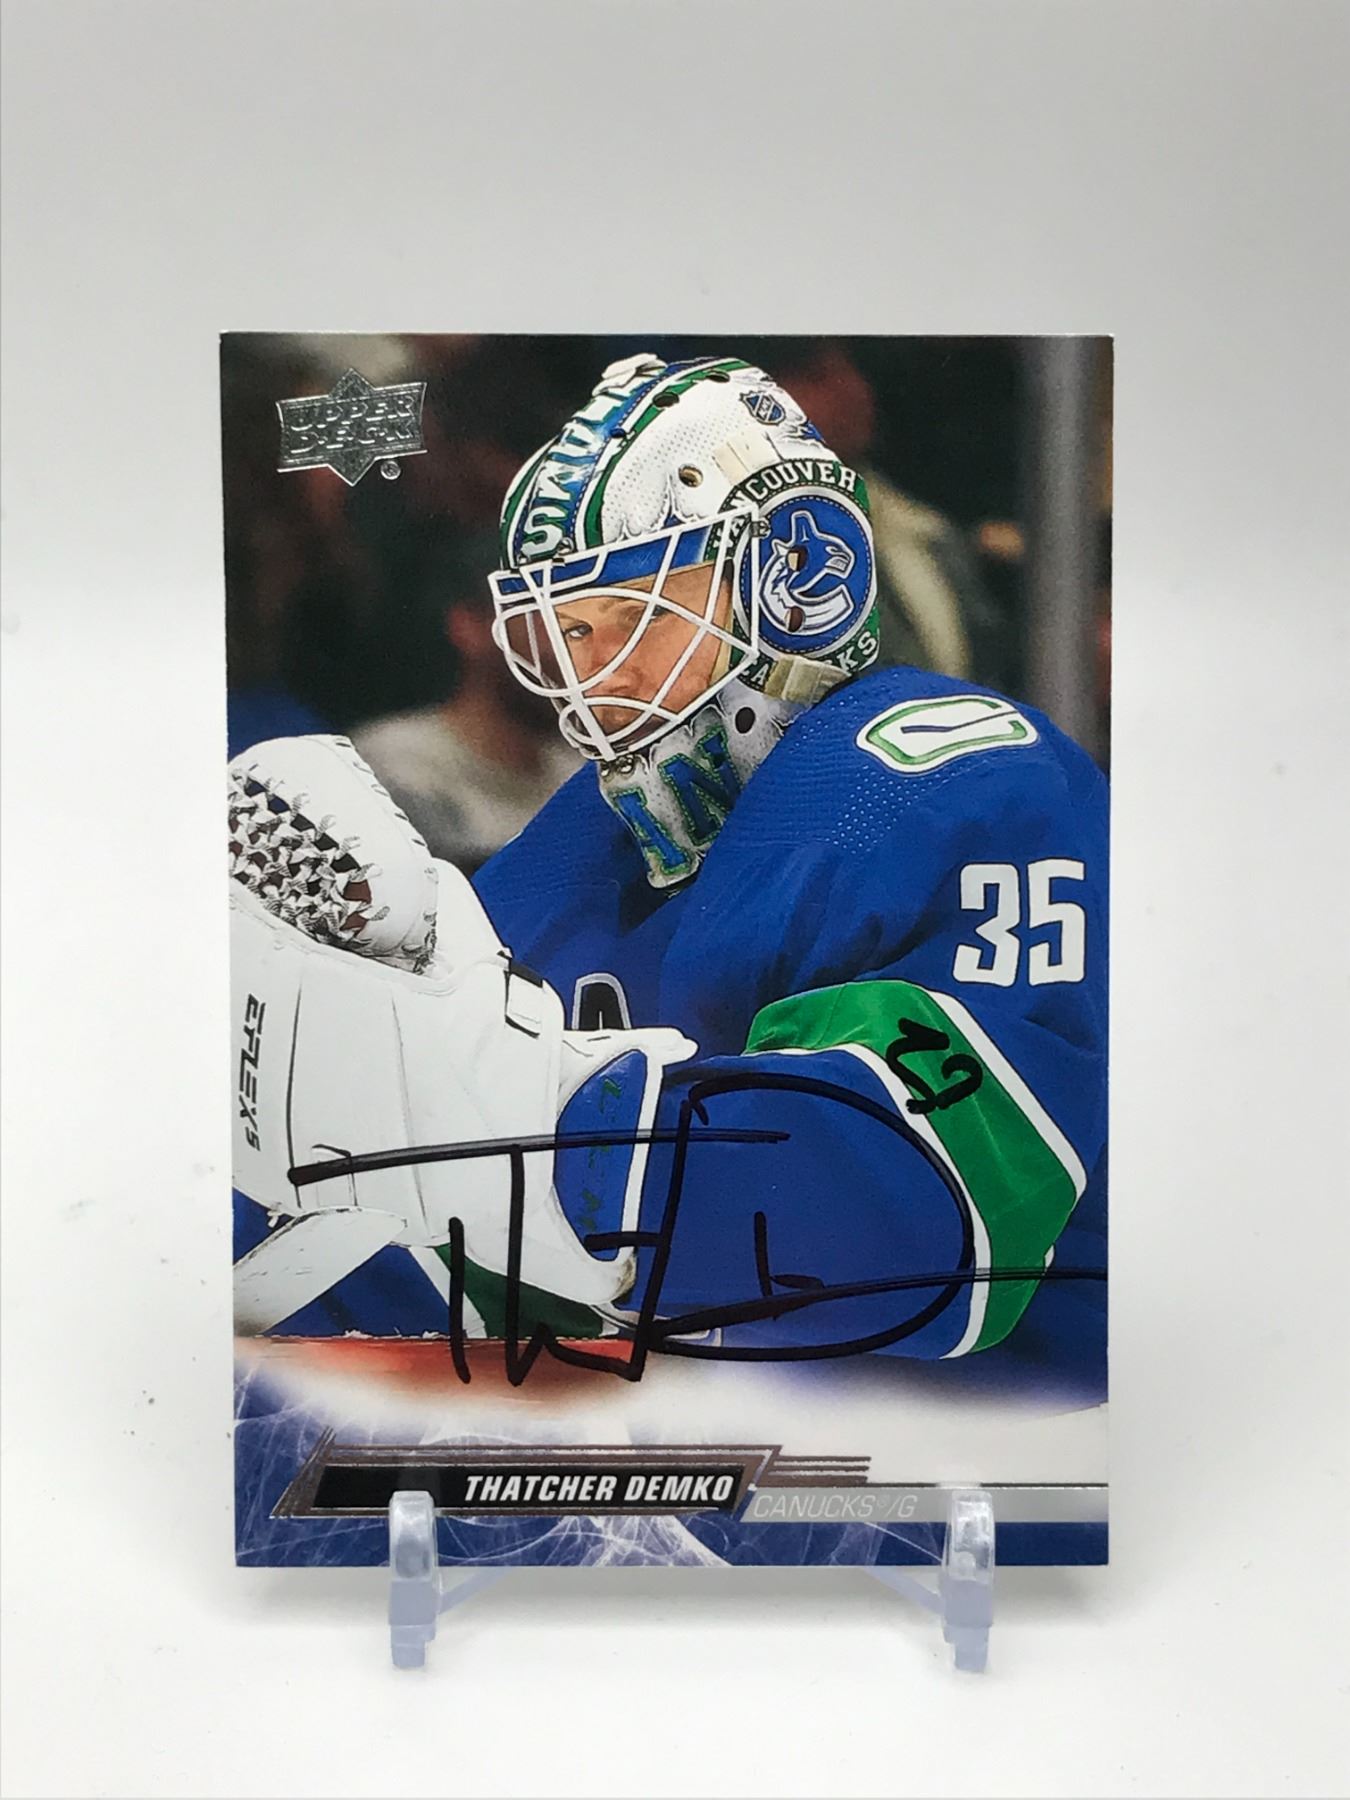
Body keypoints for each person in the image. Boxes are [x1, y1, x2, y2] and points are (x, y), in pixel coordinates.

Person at [229, 352, 1106, 1390]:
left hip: (1003, 1438)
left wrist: (517, 1114)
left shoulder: (956, 785)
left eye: (634, 616)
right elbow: (445, 1271)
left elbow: (924, 1220)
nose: (596, 680)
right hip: (688, 1447)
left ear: (801, 577)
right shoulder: (584, 845)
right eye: (569, 632)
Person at [350, 531, 579, 873]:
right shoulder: (394, 766)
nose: (580, 652)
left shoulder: (582, 777)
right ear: (470, 625)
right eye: (555, 616)